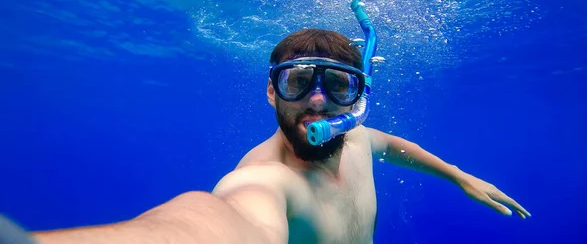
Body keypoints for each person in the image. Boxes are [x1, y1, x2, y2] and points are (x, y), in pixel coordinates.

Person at [29, 28, 530, 244]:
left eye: (337, 85)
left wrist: (458, 175)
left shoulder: (356, 137)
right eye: (297, 82)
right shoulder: (267, 180)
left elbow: (394, 146)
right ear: (272, 92)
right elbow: (218, 222)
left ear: (357, 100)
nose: (316, 101)